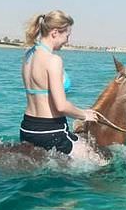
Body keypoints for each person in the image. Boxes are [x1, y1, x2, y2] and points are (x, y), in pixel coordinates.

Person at [19, 10, 98, 157]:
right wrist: (84, 115)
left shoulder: (28, 55)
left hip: (27, 129)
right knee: (99, 161)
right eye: (67, 35)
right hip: (51, 132)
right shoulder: (53, 60)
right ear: (55, 32)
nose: (67, 41)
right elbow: (61, 106)